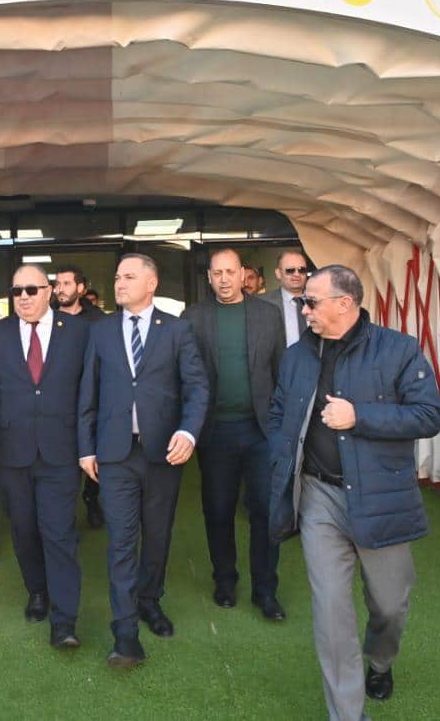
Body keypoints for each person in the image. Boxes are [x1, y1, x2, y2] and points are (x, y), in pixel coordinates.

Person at [267, 265, 440, 721]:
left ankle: (380, 662)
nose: (304, 310)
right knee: (330, 611)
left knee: (389, 605)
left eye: (311, 302)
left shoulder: (398, 349)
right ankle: (347, 714)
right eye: (303, 302)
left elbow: (430, 415)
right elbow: (279, 412)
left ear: (344, 303)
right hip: (318, 497)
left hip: (380, 497)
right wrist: (282, 456)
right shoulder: (296, 356)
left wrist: (359, 416)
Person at [78, 253, 209, 668]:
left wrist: (188, 432)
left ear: (151, 284)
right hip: (114, 453)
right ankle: (125, 632)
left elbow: (197, 387)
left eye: (129, 277)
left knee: (157, 535)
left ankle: (150, 600)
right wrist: (86, 448)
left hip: (162, 453)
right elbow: (88, 392)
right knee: (120, 540)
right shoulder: (100, 331)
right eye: (118, 277)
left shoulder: (177, 330)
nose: (119, 283)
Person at [0, 265, 90, 649]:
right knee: (24, 529)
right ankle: (37, 590)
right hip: (12, 452)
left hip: (61, 451)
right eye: (17, 290)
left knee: (59, 532)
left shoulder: (78, 332)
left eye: (31, 290)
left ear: (48, 291)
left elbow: (93, 390)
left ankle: (64, 621)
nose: (23, 297)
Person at [183, 248, 286, 621]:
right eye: (217, 273)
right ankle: (225, 581)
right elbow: (184, 375)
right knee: (219, 509)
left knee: (265, 510)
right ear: (209, 278)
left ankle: (265, 590)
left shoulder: (268, 315)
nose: (224, 279)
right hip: (215, 432)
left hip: (261, 431)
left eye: (230, 272)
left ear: (244, 274)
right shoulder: (193, 317)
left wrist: (280, 424)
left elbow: (280, 371)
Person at [54, 264, 105, 530]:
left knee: (94, 457)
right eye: (57, 284)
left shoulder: (98, 321)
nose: (60, 289)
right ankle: (65, 522)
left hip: (94, 402)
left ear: (81, 288)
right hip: (58, 405)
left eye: (66, 283)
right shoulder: (47, 318)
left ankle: (91, 498)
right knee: (63, 469)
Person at [262, 249, 311, 346]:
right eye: (290, 270)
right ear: (278, 273)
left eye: (301, 270)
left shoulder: (319, 301)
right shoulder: (263, 303)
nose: (296, 274)